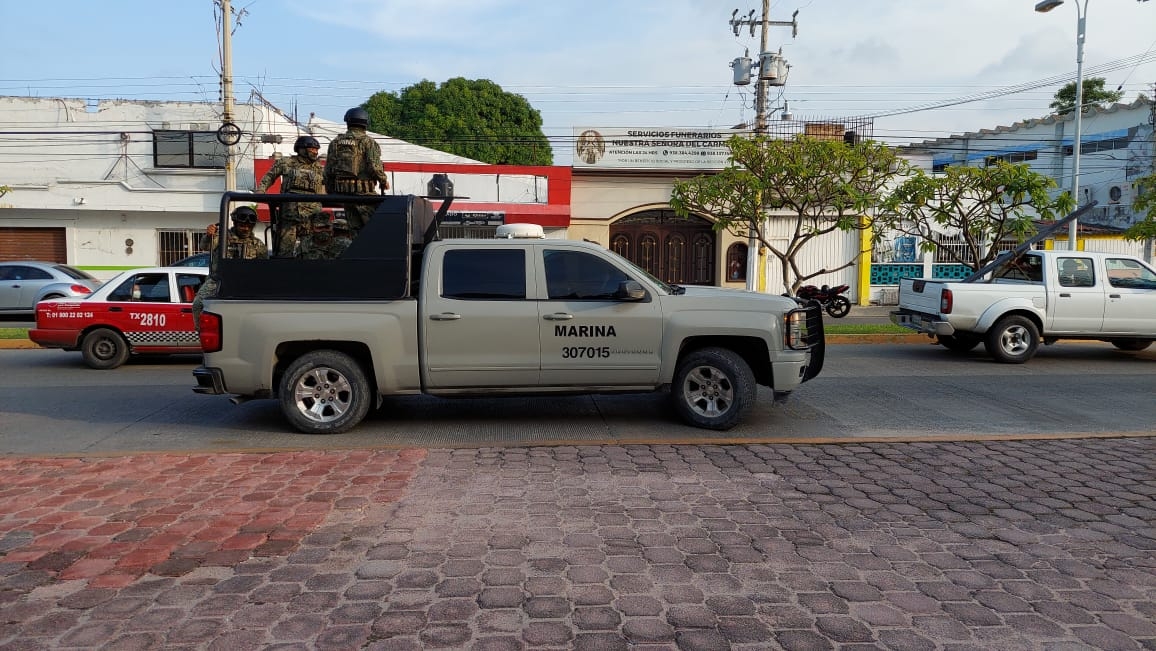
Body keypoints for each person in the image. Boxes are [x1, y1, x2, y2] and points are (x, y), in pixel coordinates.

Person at [192, 206, 269, 330]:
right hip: (219, 279)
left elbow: (263, 269)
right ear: (235, 223)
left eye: (249, 227)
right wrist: (208, 235)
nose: (245, 229)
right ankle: (203, 332)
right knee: (198, 304)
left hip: (247, 282)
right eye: (242, 225)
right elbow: (204, 246)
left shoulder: (258, 245)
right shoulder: (222, 237)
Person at [323, 107, 390, 236]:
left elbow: (328, 170)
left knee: (355, 231)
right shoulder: (368, 142)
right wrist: (383, 180)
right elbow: (374, 165)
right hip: (365, 194)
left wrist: (331, 191)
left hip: (345, 194)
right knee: (374, 230)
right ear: (365, 123)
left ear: (347, 122)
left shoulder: (335, 142)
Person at [256, 135, 324, 257]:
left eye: (316, 150)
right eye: (312, 149)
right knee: (284, 252)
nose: (315, 152)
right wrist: (261, 190)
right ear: (301, 149)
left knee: (309, 253)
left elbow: (330, 183)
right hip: (290, 215)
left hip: (311, 216)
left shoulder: (320, 168)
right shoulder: (286, 162)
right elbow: (269, 176)